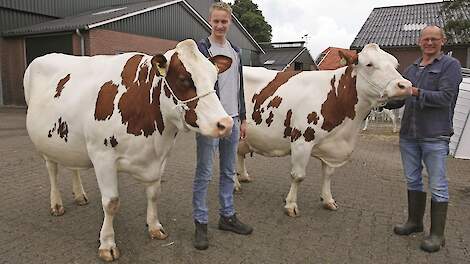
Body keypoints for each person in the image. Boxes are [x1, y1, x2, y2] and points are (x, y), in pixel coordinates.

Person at [386, 25, 462, 252]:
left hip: (435, 135)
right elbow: (401, 98)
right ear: (420, 41)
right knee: (413, 180)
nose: (429, 43)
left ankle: (437, 235)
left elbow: (446, 98)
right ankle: (415, 222)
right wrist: (381, 101)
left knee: (438, 184)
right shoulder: (412, 68)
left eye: (434, 39)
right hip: (409, 134)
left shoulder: (450, 66)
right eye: (425, 39)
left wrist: (416, 92)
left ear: (442, 41)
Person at [192, 2, 253, 250]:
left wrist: (244, 117)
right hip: (210, 121)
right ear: (210, 21)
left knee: (229, 172)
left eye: (224, 21)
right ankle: (200, 223)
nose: (219, 25)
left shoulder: (236, 52)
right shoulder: (200, 50)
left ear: (230, 23)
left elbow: (239, 87)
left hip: (234, 119)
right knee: (204, 173)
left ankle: (227, 216)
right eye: (216, 21)